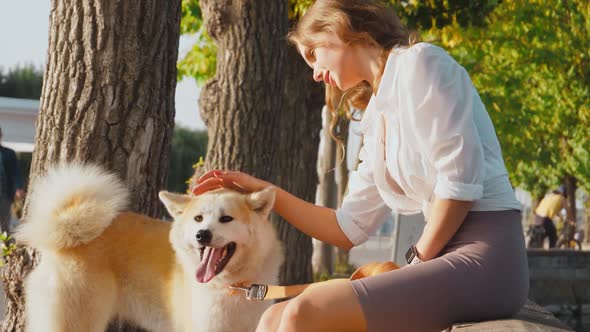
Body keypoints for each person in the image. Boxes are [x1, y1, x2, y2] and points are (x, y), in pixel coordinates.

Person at [193, 1, 529, 331]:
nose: (314, 73)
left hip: (487, 257)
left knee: (302, 315)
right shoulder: (375, 117)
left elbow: (459, 186)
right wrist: (262, 192)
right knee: (272, 317)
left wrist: (415, 263)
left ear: (338, 28)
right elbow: (347, 227)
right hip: (444, 260)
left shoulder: (421, 64)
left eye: (313, 55)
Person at [0, 126, 25, 234]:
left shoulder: (9, 153)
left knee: (5, 225)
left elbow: (15, 172)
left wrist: (19, 187)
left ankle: (7, 249)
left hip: (5, 195)